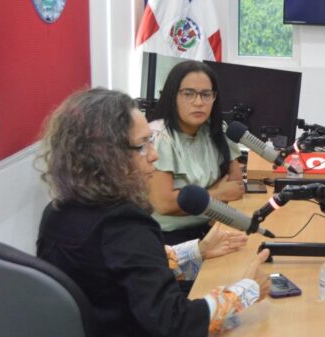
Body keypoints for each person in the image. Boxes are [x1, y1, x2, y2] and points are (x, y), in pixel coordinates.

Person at [36, 88, 271, 337]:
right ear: (106, 156)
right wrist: (247, 290)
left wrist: (197, 251)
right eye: (141, 145)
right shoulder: (125, 225)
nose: (154, 155)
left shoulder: (56, 212)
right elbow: (176, 323)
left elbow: (117, 272)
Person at [147, 60, 246, 245]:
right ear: (172, 95)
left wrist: (200, 199)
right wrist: (217, 194)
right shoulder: (159, 137)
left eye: (206, 94)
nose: (199, 102)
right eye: (188, 94)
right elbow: (164, 204)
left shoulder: (216, 131)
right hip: (168, 241)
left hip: (210, 228)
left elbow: (235, 187)